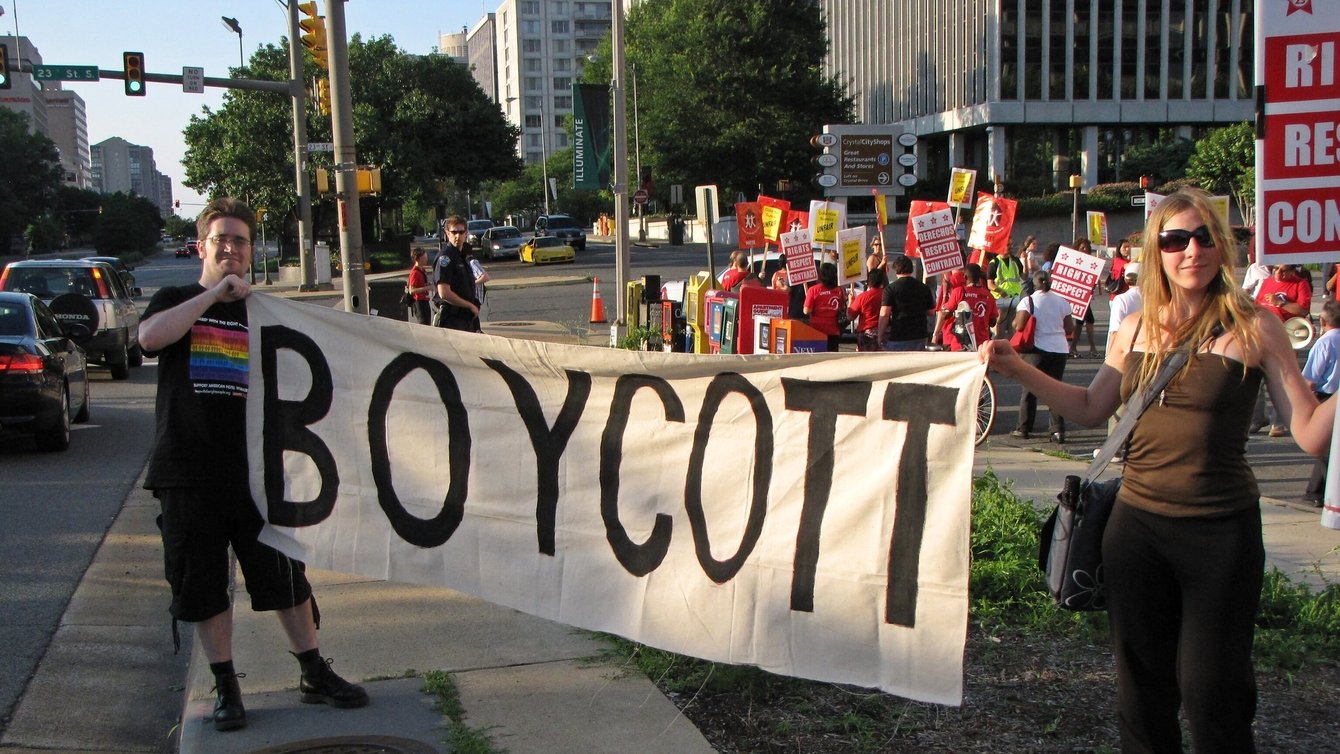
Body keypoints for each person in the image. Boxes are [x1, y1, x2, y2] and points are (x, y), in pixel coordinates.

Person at [980, 187, 1335, 753]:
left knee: (1213, 692)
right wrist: (1019, 370)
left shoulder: (1256, 328)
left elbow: (1312, 434)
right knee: (1140, 696)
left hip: (1221, 533)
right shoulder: (1134, 328)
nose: (1190, 250)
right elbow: (1092, 408)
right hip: (1137, 529)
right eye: (1174, 240)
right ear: (1157, 252)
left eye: (1202, 237)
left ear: (1220, 246)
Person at [138, 198, 368, 733]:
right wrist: (215, 294)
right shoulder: (176, 300)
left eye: (240, 241)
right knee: (202, 584)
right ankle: (226, 686)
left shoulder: (266, 312)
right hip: (188, 472)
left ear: (251, 250)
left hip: (258, 472)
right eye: (221, 239)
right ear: (202, 246)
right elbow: (150, 340)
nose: (231, 248)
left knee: (284, 573)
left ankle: (313, 671)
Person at [1009, 269, 1074, 442]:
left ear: (1034, 284)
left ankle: (1023, 428)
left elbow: (1019, 326)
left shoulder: (1028, 301)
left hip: (1036, 350)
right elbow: (1069, 328)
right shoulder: (1062, 302)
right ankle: (1057, 430)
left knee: (1030, 389)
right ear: (1050, 283)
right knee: (1055, 389)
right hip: (1059, 350)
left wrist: (1014, 321)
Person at [1253, 263, 1313, 435]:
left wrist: (1281, 303)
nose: (1278, 273)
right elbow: (1258, 304)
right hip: (1262, 336)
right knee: (1256, 378)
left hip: (1286, 337)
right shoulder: (1268, 281)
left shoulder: (1300, 284)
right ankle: (1257, 418)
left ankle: (1278, 423)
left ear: (1293, 271)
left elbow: (1303, 309)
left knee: (1281, 381)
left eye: (1284, 270)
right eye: (1276, 269)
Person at [1303, 300, 1340, 507]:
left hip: (1325, 398)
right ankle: (1314, 490)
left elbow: (1310, 378)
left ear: (1323, 321)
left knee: (1325, 450)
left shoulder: (1325, 342)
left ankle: (1327, 493)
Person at [434, 216, 482, 332]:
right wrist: (469, 306)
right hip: (452, 320)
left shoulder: (461, 257)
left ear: (466, 233)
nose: (457, 236)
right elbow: (444, 292)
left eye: (461, 232)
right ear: (447, 233)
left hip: (467, 319)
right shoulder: (445, 257)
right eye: (454, 232)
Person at [934, 263, 997, 351]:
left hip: (961, 344)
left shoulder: (959, 291)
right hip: (982, 344)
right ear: (979, 278)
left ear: (965, 277)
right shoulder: (989, 296)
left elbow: (944, 313)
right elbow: (993, 322)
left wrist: (945, 292)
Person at [879, 254, 935, 351]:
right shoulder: (924, 288)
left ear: (896, 270)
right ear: (911, 269)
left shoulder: (890, 289)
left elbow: (885, 314)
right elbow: (931, 312)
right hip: (920, 334)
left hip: (899, 334)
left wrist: (880, 335)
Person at [803, 262, 847, 352]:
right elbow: (842, 308)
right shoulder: (840, 291)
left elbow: (806, 311)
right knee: (832, 360)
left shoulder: (813, 290)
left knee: (817, 360)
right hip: (833, 330)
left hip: (816, 330)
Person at [986, 241, 1026, 338]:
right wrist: (1001, 292)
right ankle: (999, 345)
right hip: (1001, 299)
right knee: (1001, 327)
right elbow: (990, 284)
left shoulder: (1015, 261)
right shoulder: (994, 263)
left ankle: (1011, 348)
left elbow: (1024, 277)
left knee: (1012, 327)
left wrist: (1025, 261)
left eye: (1011, 244)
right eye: (1008, 244)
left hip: (1014, 298)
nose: (1010, 247)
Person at [1070, 238, 1101, 358]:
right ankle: (1091, 348)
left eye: (1086, 248)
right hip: (1078, 296)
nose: (1084, 250)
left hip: (1085, 297)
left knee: (1081, 321)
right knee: (1088, 320)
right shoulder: (1074, 262)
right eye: (1082, 247)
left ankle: (1073, 347)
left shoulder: (1091, 263)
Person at [848, 267, 887, 351]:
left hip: (866, 333)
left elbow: (850, 316)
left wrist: (850, 302)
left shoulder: (863, 297)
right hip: (884, 331)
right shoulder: (887, 294)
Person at [406, 247, 432, 325]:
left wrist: (427, 285)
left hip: (424, 300)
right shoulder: (415, 272)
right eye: (424, 258)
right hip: (419, 303)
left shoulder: (422, 270)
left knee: (427, 324)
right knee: (424, 325)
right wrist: (427, 288)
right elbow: (412, 290)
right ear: (418, 259)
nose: (426, 259)